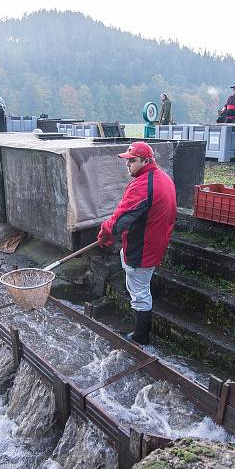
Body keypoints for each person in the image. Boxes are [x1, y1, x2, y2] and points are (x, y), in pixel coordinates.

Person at [97, 142, 176, 345]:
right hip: (156, 242)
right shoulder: (164, 178)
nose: (128, 165)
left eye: (132, 161)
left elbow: (120, 220)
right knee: (140, 285)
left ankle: (141, 337)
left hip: (142, 248)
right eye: (127, 160)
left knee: (139, 293)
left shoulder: (142, 186)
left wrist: (104, 233)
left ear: (146, 161)